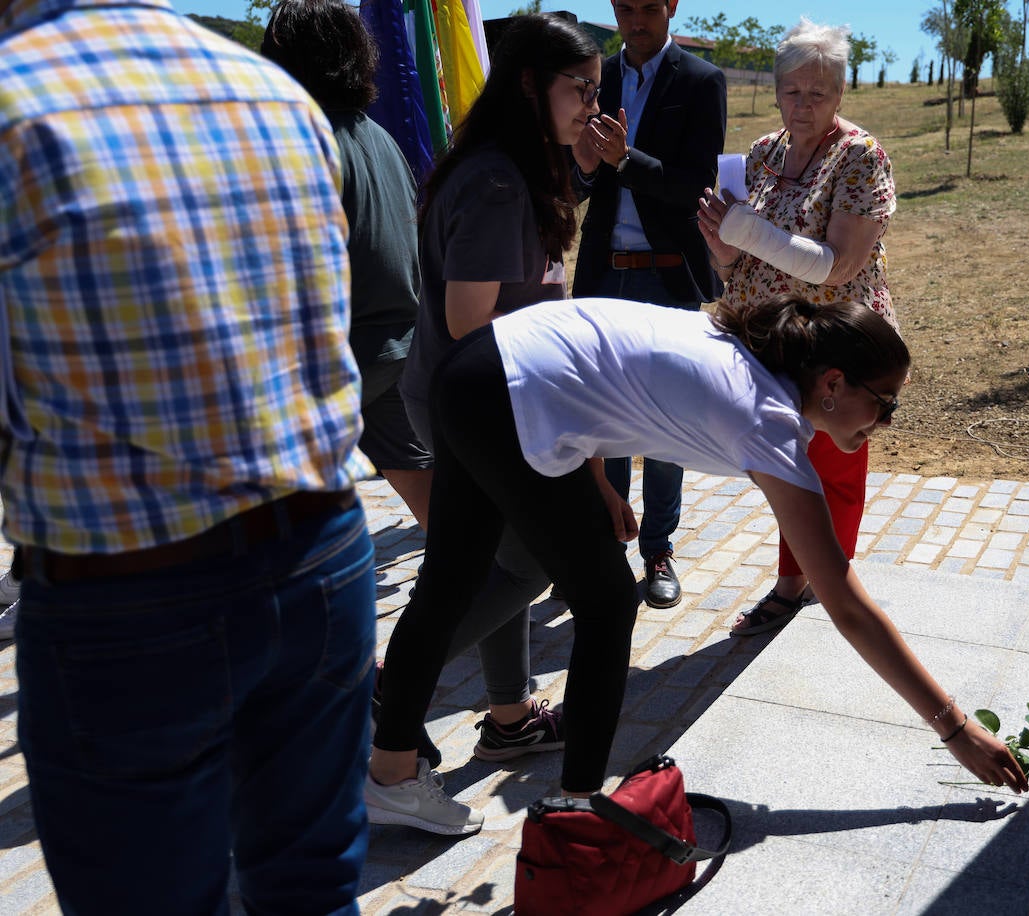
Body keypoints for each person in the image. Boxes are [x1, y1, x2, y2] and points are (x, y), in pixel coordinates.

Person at [370, 294, 1028, 833]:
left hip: (477, 367)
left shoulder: (755, 363)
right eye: (887, 404)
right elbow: (846, 604)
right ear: (832, 383)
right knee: (606, 602)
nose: (885, 425)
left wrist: (592, 476)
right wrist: (955, 728)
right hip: (509, 391)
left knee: (453, 579)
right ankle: (577, 817)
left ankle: (391, 774)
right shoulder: (765, 419)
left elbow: (598, 365)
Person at [0, 0, 376, 912]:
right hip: (321, 556)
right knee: (314, 888)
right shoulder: (271, 93)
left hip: (128, 591)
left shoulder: (15, 99)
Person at [364, 13, 604, 833]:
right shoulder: (500, 180)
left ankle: (506, 718)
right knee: (523, 567)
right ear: (530, 85)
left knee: (483, 567)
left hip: (484, 399)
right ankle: (390, 697)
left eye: (597, 88)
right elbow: (471, 320)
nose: (592, 104)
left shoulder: (511, 166)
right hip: (487, 403)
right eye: (580, 88)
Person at [696, 17, 899, 637]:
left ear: (840, 93)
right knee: (790, 466)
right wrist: (723, 249)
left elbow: (839, 267)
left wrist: (747, 231)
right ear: (776, 91)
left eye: (818, 92)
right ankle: (805, 579)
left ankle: (812, 588)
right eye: (792, 91)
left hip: (836, 344)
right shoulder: (762, 153)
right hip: (773, 343)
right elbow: (741, 259)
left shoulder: (860, 156)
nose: (803, 104)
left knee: (832, 471)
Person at [569, 0, 727, 609]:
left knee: (666, 422)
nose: (636, 21)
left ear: (672, 6)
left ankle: (657, 549)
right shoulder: (597, 77)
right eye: (625, 8)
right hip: (604, 275)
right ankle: (606, 548)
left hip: (667, 278)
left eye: (648, 8)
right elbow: (573, 183)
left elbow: (696, 187)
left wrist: (625, 161)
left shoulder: (701, 80)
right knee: (604, 421)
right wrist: (588, 166)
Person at [260, 0, 434, 528]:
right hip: (400, 345)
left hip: (339, 357)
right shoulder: (379, 137)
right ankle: (484, 570)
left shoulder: (302, 144)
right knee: (434, 499)